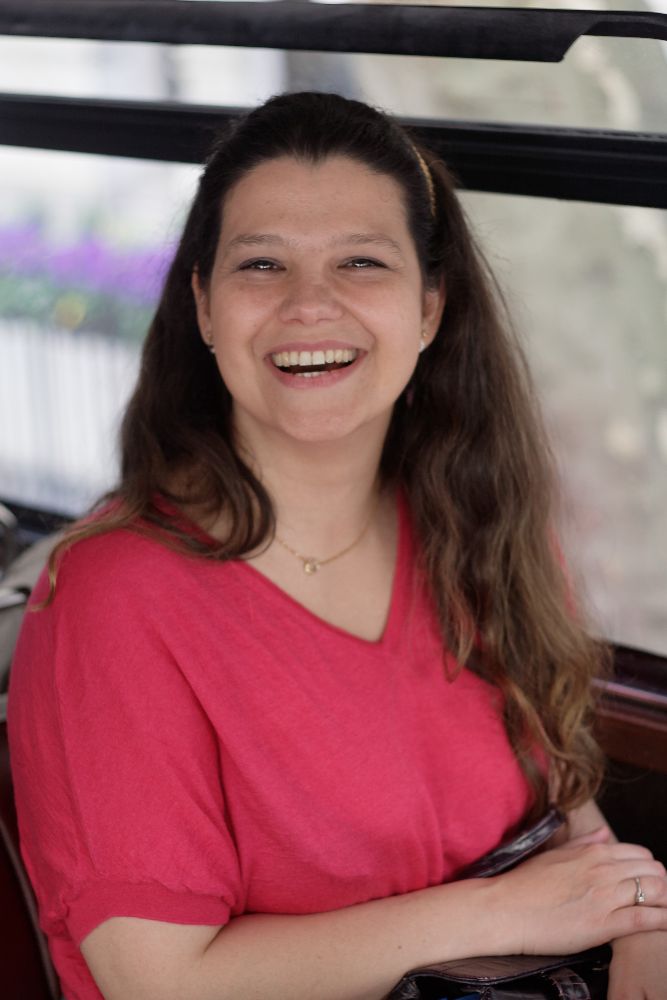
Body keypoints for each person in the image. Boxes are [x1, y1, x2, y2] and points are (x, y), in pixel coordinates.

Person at [8, 91, 667, 1000]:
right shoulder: (115, 594)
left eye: (361, 262)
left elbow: (566, 823)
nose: (310, 304)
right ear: (204, 307)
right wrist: (500, 915)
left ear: (429, 309)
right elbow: (158, 981)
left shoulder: (474, 523)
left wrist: (638, 923)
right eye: (262, 264)